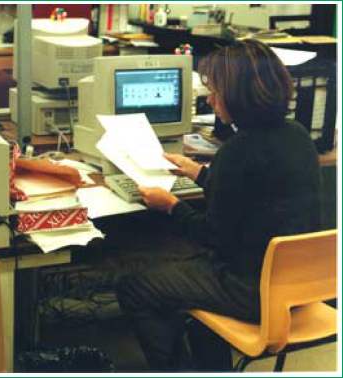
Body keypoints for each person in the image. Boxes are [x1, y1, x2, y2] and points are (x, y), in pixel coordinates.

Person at [115, 39, 322, 371]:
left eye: (216, 91)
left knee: (135, 286)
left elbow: (212, 235)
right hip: (302, 286)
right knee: (185, 270)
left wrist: (170, 205)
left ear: (238, 96)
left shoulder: (237, 151)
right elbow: (255, 195)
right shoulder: (297, 136)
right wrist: (200, 173)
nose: (210, 98)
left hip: (252, 291)